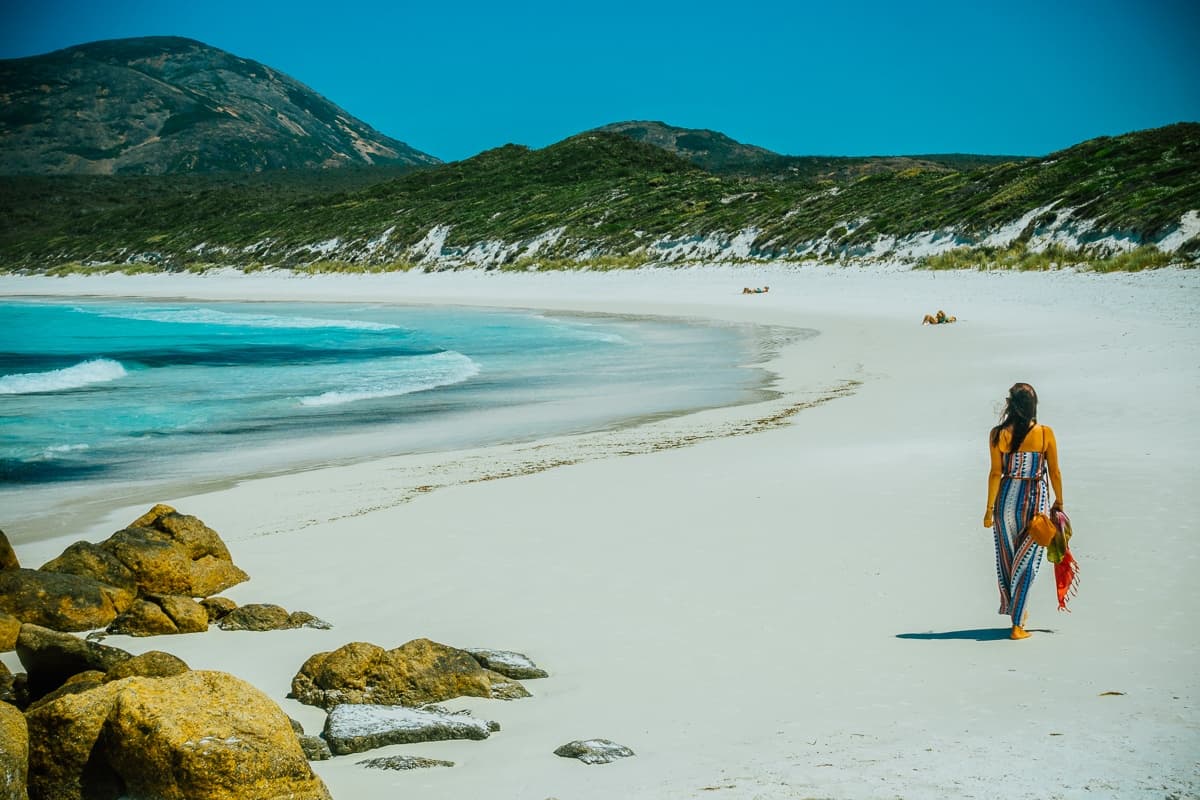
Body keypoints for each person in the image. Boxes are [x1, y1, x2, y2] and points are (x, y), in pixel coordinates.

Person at [983, 382, 1064, 639]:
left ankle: (1016, 608)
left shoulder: (998, 435)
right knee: (1028, 561)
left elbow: (996, 472)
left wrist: (988, 509)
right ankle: (1017, 624)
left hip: (1006, 501)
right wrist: (1059, 501)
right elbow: (1054, 472)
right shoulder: (1045, 433)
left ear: (1010, 404)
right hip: (1035, 501)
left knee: (1007, 558)